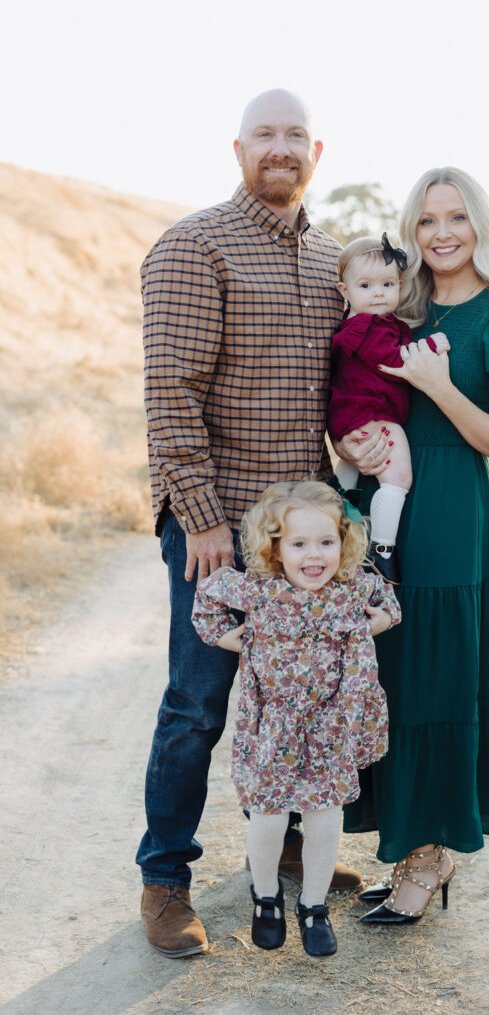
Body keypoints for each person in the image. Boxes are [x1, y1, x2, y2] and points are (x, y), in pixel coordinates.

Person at [137, 89, 379, 958]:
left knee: (297, 701)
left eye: (294, 136)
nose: (280, 148)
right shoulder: (195, 246)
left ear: (317, 151)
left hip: (304, 540)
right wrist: (201, 518)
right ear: (237, 147)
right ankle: (165, 879)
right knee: (198, 705)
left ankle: (278, 849)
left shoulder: (329, 261)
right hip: (219, 527)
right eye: (264, 135)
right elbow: (170, 394)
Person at [336, 167, 489, 924]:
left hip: (450, 525)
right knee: (387, 681)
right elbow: (352, 392)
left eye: (456, 216)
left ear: (479, 225)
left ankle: (429, 860)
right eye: (426, 220)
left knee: (435, 684)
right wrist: (353, 449)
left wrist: (438, 385)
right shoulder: (398, 305)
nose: (441, 233)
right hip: (378, 517)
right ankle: (401, 845)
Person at [191, 480, 400, 956]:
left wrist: (378, 623)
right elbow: (206, 598)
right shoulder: (257, 590)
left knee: (325, 818)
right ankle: (265, 898)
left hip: (333, 727)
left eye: (327, 542)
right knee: (268, 817)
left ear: (343, 544)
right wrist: (228, 637)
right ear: (275, 547)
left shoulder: (352, 589)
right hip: (273, 728)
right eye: (299, 543)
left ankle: (313, 906)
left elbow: (389, 602)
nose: (315, 556)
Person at [328, 234, 450, 584]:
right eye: (366, 285)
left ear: (400, 285)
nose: (378, 292)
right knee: (397, 477)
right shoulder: (365, 327)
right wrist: (429, 346)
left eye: (387, 284)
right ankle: (382, 549)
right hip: (371, 413)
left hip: (352, 414)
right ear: (344, 291)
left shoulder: (378, 324)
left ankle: (337, 517)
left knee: (351, 467)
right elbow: (392, 361)